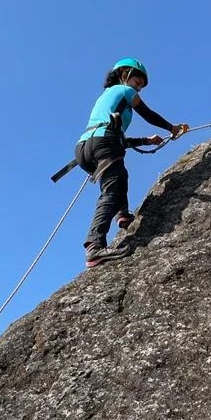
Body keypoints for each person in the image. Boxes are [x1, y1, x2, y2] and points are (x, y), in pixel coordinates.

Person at [75, 58, 186, 267]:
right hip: (103, 143)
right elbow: (148, 114)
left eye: (141, 86)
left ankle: (122, 215)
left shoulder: (107, 98)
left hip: (85, 147)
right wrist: (171, 128)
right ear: (123, 74)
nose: (139, 88)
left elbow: (116, 136)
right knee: (112, 189)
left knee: (119, 177)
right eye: (137, 81)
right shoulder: (124, 91)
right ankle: (95, 246)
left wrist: (146, 140)